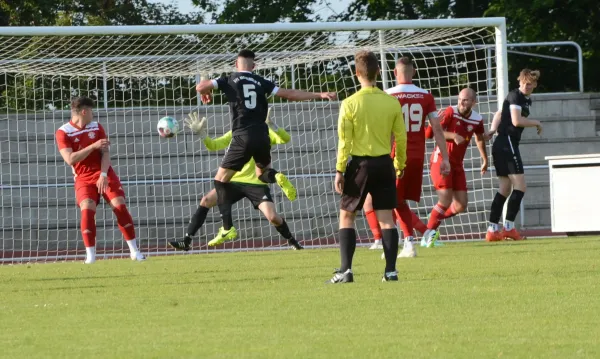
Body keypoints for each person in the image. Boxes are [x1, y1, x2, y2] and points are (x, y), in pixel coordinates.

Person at [195, 49, 336, 246]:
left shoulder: (229, 79)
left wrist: (206, 91)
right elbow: (289, 94)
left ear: (236, 64)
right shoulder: (261, 81)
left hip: (242, 135)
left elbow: (200, 87)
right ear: (254, 66)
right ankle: (276, 176)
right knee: (263, 174)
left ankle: (227, 228)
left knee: (220, 181)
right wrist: (318, 94)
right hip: (262, 135)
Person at [168, 112, 303, 251]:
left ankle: (292, 242)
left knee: (273, 217)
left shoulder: (264, 131)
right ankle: (186, 241)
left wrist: (272, 125)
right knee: (206, 200)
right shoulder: (236, 132)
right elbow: (213, 145)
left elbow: (284, 139)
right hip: (234, 181)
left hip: (256, 183)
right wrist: (202, 133)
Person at [328, 50, 407, 284]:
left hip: (360, 165)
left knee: (347, 216)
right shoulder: (392, 102)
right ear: (378, 73)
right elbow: (400, 138)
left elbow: (345, 141)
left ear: (356, 74)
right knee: (386, 219)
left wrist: (340, 170)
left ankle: (345, 271)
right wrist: (399, 164)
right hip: (384, 164)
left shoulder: (350, 103)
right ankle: (390, 271)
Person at [364, 56, 450, 258]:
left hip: (394, 155)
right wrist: (444, 157)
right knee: (398, 200)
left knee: (389, 200)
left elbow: (382, 128)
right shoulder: (426, 96)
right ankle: (407, 240)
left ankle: (404, 243)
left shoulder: (387, 95)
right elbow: (436, 128)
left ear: (395, 72)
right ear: (414, 72)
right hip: (417, 156)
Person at [55, 96, 145, 264]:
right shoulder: (63, 132)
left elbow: (105, 153)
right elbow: (70, 159)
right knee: (87, 210)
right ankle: (91, 256)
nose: (93, 115)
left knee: (120, 206)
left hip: (105, 173)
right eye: (91, 111)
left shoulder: (97, 127)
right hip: (83, 178)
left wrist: (103, 175)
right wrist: (93, 146)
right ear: (84, 111)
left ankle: (135, 251)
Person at [421, 88, 488, 246]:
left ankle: (430, 224)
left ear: (473, 102)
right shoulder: (450, 112)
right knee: (445, 200)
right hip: (441, 160)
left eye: (465, 100)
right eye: (459, 99)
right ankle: (427, 236)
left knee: (460, 205)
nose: (461, 103)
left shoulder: (477, 119)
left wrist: (485, 158)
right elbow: (430, 134)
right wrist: (453, 136)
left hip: (457, 164)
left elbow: (479, 138)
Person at [485, 69, 543, 241]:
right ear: (520, 82)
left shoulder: (524, 99)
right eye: (525, 82)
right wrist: (537, 123)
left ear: (535, 84)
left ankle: (492, 230)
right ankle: (509, 228)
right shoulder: (515, 96)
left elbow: (499, 114)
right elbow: (517, 121)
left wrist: (493, 130)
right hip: (508, 143)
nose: (528, 85)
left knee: (504, 188)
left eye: (531, 83)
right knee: (520, 186)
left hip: (502, 143)